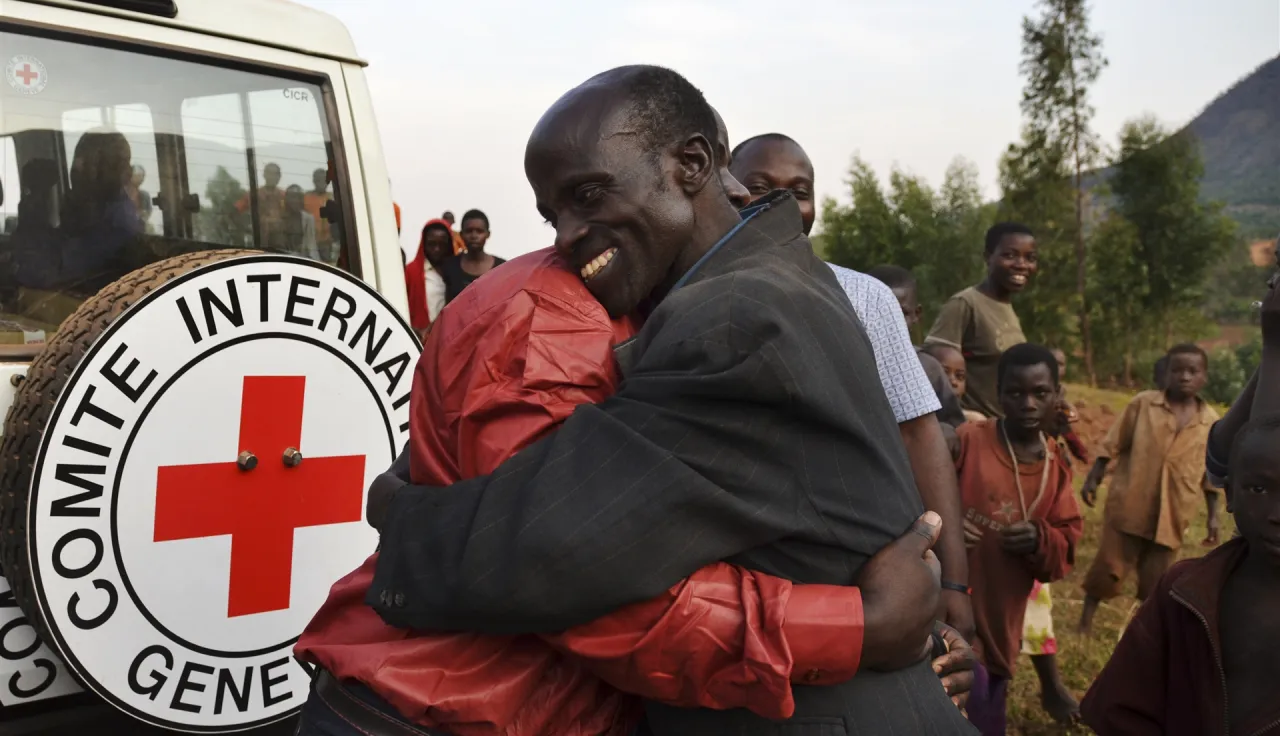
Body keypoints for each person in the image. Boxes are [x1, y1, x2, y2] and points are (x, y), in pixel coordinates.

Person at [343, 65, 975, 735]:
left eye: (588, 193)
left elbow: (559, 546)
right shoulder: (785, 278)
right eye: (553, 212)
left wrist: (398, 514)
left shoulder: (735, 318)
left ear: (692, 164)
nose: (565, 234)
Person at [731, 135, 974, 641]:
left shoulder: (866, 298)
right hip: (743, 583)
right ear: (727, 191)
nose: (781, 204)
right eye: (759, 187)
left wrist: (954, 580)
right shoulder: (689, 297)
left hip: (869, 571)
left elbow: (919, 434)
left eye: (799, 191)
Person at [1079, 413, 1280, 735]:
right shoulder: (1184, 591)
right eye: (1259, 489)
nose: (1276, 514)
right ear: (1229, 495)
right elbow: (1121, 708)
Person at [955, 344, 1083, 736]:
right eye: (1015, 393)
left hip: (1000, 614)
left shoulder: (1055, 467)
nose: (1027, 403)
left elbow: (1066, 547)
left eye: (1040, 393)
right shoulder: (969, 440)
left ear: (1056, 395)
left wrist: (1039, 540)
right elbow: (921, 491)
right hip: (949, 605)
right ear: (998, 393)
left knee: (984, 710)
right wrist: (946, 522)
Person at [1078, 344, 1220, 634]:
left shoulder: (1211, 423)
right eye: (1177, 370)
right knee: (1107, 569)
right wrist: (1094, 476)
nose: (1184, 376)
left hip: (1173, 514)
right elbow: (1112, 443)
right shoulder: (1143, 404)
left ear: (1204, 377)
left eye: (1192, 371)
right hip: (1130, 505)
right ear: (1165, 373)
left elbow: (1210, 477)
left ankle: (1143, 632)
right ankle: (1085, 622)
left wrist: (1213, 517)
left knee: (1157, 582)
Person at [926, 223, 1036, 420]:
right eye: (1010, 255)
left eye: (1030, 258)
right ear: (988, 257)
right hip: (975, 435)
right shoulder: (965, 304)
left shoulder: (1007, 308)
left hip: (1005, 431)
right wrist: (965, 417)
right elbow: (931, 369)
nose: (1021, 264)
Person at [867, 264, 966, 430]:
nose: (890, 321)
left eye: (901, 313)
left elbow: (955, 425)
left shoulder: (928, 368)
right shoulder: (848, 359)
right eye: (879, 311)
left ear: (916, 315)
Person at [441, 209, 506, 302]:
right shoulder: (449, 267)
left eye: (479, 231)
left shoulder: (502, 268)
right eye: (469, 231)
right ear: (461, 235)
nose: (474, 236)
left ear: (488, 234)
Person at [402, 219, 452, 336]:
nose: (437, 249)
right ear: (424, 244)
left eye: (442, 244)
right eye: (431, 244)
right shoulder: (411, 271)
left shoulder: (456, 272)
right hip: (419, 338)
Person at [1046, 348, 1089, 466]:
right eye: (1053, 363)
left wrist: (1064, 413)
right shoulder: (1035, 385)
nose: (1057, 368)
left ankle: (1082, 454)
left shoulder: (1060, 390)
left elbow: (1073, 415)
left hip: (1050, 437)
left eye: (1061, 364)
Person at [304, 167, 335, 262]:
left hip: (327, 243)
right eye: (318, 180)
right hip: (309, 243)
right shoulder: (306, 197)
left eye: (324, 180)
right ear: (314, 181)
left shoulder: (332, 198)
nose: (321, 183)